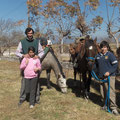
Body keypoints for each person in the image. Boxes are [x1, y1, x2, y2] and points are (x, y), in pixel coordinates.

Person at [16, 27, 44, 106]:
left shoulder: (36, 41)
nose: (30, 35)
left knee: (36, 83)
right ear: (26, 34)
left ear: (33, 33)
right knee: (24, 83)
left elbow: (42, 52)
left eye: (31, 33)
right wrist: (23, 55)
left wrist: (38, 56)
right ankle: (22, 98)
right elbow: (17, 52)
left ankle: (36, 98)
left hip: (35, 66)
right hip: (26, 66)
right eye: (28, 33)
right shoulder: (22, 42)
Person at [94, 41, 119, 115]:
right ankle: (105, 104)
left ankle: (113, 108)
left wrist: (109, 72)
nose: (103, 48)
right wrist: (96, 72)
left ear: (107, 48)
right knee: (102, 92)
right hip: (101, 77)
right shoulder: (98, 56)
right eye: (102, 47)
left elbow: (115, 65)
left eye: (105, 47)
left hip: (110, 77)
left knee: (110, 92)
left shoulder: (110, 55)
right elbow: (96, 65)